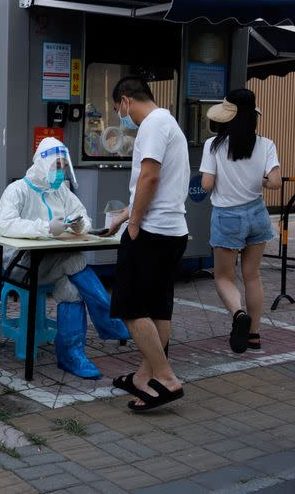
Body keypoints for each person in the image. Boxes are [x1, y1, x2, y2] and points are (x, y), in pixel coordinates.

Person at [0, 137, 130, 379]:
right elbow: (4, 224)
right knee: (74, 259)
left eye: (63, 166)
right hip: (21, 265)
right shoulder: (18, 190)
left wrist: (79, 226)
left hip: (51, 263)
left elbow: (82, 215)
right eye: (57, 165)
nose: (61, 171)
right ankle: (110, 321)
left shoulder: (60, 192)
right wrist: (46, 228)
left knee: (72, 289)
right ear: (42, 163)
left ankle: (71, 356)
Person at [107, 76, 189, 411]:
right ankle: (145, 378)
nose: (121, 118)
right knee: (157, 307)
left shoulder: (152, 125)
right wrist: (126, 214)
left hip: (152, 233)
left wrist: (135, 223)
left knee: (129, 307)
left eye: (118, 111)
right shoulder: (169, 121)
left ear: (126, 100)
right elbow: (158, 184)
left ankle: (166, 377)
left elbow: (150, 176)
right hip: (172, 230)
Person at [199, 89, 281, 353]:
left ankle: (238, 315)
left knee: (224, 276)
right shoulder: (266, 144)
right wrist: (261, 180)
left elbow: (207, 184)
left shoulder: (214, 145)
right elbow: (277, 183)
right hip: (257, 213)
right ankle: (254, 335)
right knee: (252, 276)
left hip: (227, 216)